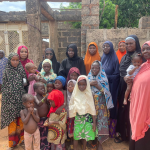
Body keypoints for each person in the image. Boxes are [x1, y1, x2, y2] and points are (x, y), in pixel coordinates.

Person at [115, 35, 141, 143]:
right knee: (122, 111)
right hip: (123, 88)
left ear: (136, 44)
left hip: (134, 89)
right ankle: (123, 135)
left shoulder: (139, 57)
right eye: (127, 44)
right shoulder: (125, 57)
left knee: (132, 112)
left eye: (131, 43)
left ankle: (132, 136)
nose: (128, 46)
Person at [1, 53, 26, 149]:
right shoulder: (6, 71)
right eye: (13, 60)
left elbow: (25, 82)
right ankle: (12, 143)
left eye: (17, 60)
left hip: (20, 99)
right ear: (9, 61)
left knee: (21, 119)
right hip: (10, 101)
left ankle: (22, 140)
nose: (15, 62)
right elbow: (4, 87)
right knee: (12, 121)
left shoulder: (21, 69)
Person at [129, 41, 150, 150]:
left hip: (147, 110)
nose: (145, 51)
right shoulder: (142, 66)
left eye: (148, 49)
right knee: (136, 129)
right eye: (144, 49)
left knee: (145, 137)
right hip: (137, 107)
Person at [88, 61, 113, 150]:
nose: (94, 69)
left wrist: (98, 86)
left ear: (100, 68)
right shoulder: (88, 77)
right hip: (91, 103)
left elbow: (106, 92)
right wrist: (89, 83)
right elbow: (83, 89)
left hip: (101, 103)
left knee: (101, 122)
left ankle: (100, 143)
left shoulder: (103, 78)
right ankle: (93, 140)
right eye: (93, 68)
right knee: (91, 122)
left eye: (96, 68)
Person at [69, 75, 96, 150]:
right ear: (77, 85)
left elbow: (92, 108)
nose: (81, 86)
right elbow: (71, 105)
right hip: (78, 118)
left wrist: (94, 123)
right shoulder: (75, 94)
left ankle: (84, 148)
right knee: (76, 136)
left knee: (85, 136)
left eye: (83, 84)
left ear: (87, 84)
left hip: (87, 118)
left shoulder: (89, 94)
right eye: (80, 84)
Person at [101, 41, 120, 138]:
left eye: (107, 46)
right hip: (102, 87)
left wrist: (106, 77)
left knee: (111, 107)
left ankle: (112, 131)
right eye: (104, 46)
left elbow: (117, 75)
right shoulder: (103, 57)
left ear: (111, 47)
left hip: (112, 87)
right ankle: (103, 130)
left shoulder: (114, 59)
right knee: (103, 107)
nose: (105, 48)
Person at [33, 82, 51, 150]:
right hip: (39, 120)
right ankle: (40, 147)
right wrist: (45, 98)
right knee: (39, 135)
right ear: (35, 90)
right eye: (41, 89)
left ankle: (47, 147)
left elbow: (48, 106)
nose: (43, 90)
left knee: (46, 134)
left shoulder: (44, 97)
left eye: (44, 89)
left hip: (45, 119)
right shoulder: (34, 97)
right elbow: (39, 104)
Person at [66, 80, 76, 150]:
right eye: (68, 85)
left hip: (75, 116)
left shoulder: (77, 95)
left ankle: (75, 143)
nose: (70, 87)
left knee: (75, 130)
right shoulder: (66, 94)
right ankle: (71, 143)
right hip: (69, 116)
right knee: (70, 130)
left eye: (72, 86)